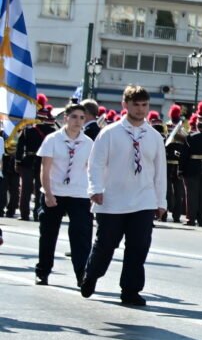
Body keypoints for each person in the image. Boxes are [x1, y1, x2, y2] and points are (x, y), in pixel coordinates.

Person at [80, 86, 168, 307]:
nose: (140, 109)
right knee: (106, 245)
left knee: (139, 247)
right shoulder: (110, 133)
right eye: (135, 105)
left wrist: (161, 201)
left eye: (144, 105)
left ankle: (130, 290)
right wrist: (95, 188)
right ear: (125, 105)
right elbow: (96, 163)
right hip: (112, 200)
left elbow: (160, 172)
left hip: (144, 200)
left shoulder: (154, 137)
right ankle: (92, 274)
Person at [35, 103, 94, 287]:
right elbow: (45, 169)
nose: (78, 121)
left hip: (79, 193)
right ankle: (43, 272)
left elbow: (91, 170)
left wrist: (94, 192)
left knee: (81, 235)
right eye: (74, 117)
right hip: (55, 191)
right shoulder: (52, 139)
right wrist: (48, 193)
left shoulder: (88, 143)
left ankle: (82, 274)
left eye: (82, 117)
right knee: (48, 234)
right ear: (65, 118)